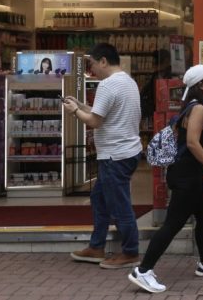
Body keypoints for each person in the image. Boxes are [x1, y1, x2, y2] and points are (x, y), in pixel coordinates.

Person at [128, 64, 203, 294]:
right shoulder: (199, 109)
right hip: (187, 176)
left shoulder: (191, 106)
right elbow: (193, 143)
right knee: (173, 224)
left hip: (190, 174)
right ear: (201, 85)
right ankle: (143, 270)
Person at [63, 43, 143, 269]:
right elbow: (103, 113)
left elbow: (95, 121)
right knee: (99, 197)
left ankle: (130, 252)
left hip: (114, 155)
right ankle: (96, 246)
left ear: (104, 61)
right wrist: (81, 105)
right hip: (127, 151)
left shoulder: (107, 85)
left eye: (93, 64)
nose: (92, 70)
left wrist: (74, 111)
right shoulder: (128, 81)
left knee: (119, 206)